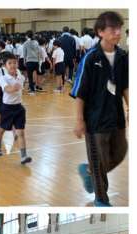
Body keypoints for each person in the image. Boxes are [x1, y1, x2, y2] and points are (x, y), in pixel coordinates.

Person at [72, 11, 128, 207]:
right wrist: (79, 120)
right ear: (100, 32)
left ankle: (89, 171)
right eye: (112, 28)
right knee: (99, 160)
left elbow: (125, 86)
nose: (117, 32)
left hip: (116, 116)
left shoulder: (123, 57)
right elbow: (80, 92)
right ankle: (101, 200)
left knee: (120, 152)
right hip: (95, 119)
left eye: (119, 28)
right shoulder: (90, 58)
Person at [0, 53, 32, 164]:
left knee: (20, 133)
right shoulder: (3, 78)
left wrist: (17, 87)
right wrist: (13, 88)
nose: (12, 65)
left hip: (19, 108)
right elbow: (7, 89)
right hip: (7, 108)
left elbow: (20, 87)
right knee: (2, 129)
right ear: (5, 66)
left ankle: (23, 156)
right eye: (9, 63)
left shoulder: (21, 77)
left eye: (14, 63)